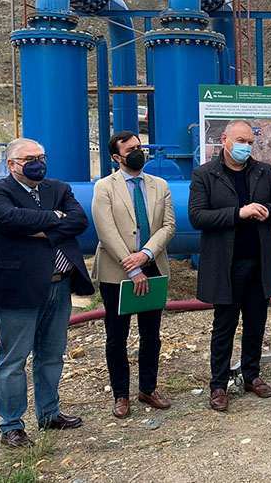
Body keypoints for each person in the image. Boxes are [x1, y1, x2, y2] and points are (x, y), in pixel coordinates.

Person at [0, 138, 94, 448]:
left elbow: (79, 221)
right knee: (14, 359)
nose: (37, 162)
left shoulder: (58, 188)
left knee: (51, 355)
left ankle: (49, 413)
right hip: (18, 286)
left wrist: (39, 225)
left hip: (60, 283)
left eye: (41, 156)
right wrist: (56, 219)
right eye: (30, 157)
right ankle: (12, 425)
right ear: (12, 164)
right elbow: (6, 220)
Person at [188, 119, 271, 412]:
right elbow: (198, 217)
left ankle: (251, 375)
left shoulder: (263, 172)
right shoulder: (205, 175)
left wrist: (267, 211)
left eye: (250, 142)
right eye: (241, 140)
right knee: (224, 327)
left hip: (259, 262)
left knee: (256, 324)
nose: (246, 146)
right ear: (224, 139)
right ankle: (218, 386)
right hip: (226, 266)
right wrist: (238, 213)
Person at [92, 131, 176, 418]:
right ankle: (120, 395)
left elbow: (168, 226)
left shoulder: (159, 185)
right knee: (117, 336)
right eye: (131, 149)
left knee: (151, 335)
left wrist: (147, 254)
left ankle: (148, 388)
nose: (138, 152)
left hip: (152, 266)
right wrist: (133, 266)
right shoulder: (104, 187)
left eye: (140, 147)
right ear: (116, 157)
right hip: (117, 273)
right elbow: (106, 230)